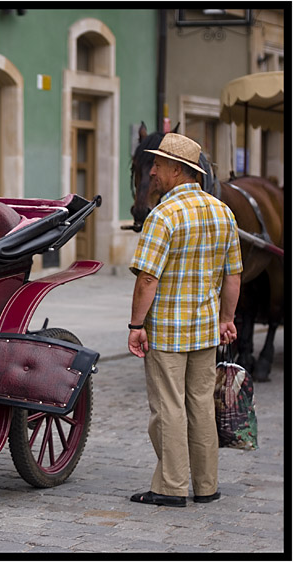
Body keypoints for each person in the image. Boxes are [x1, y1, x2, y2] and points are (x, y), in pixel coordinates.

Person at [127, 133, 242, 508]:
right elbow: (233, 275)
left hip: (168, 330)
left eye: (159, 165)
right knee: (200, 405)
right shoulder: (223, 212)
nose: (153, 172)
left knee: (169, 407)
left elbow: (147, 278)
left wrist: (135, 326)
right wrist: (227, 318)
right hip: (207, 328)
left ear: (178, 170)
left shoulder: (163, 215)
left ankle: (171, 487)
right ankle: (207, 485)